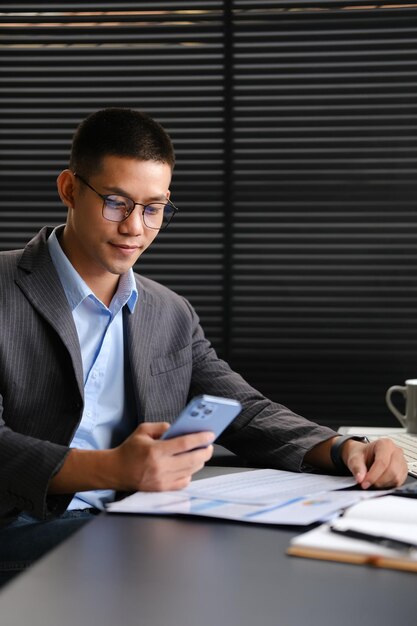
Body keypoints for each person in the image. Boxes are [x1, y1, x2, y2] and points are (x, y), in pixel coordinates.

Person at [0, 108, 407, 585]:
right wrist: (110, 468)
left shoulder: (168, 311)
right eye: (116, 202)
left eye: (154, 208)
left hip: (135, 521)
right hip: (21, 526)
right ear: (69, 189)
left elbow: (244, 410)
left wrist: (342, 448)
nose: (136, 228)